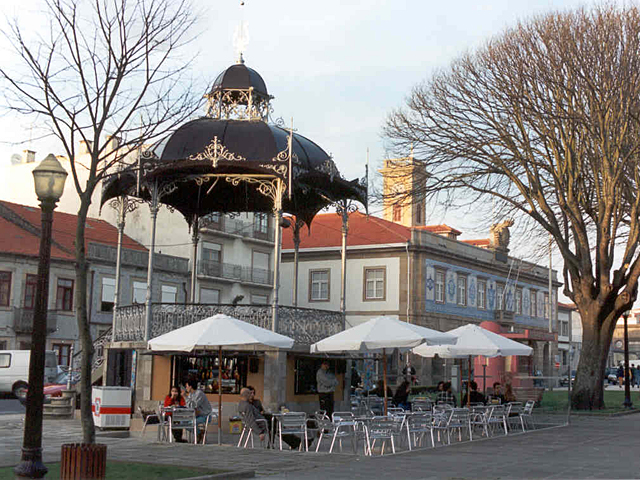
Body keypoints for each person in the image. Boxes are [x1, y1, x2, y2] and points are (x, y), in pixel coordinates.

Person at [183, 378, 212, 444]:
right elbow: (189, 406)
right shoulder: (191, 394)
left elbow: (193, 405)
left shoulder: (199, 393)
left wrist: (185, 397)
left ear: (190, 386)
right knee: (184, 423)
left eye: (186, 386)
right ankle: (200, 433)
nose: (186, 388)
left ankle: (199, 434)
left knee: (190, 423)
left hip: (205, 416)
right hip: (197, 415)